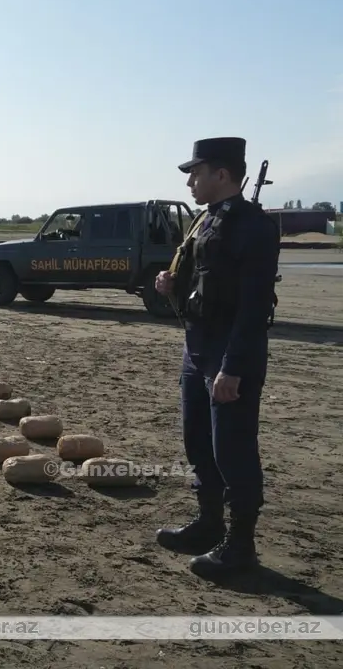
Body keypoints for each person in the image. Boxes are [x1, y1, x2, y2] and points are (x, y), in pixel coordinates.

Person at [153, 137, 280, 578]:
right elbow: (203, 278)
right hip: (198, 346)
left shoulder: (254, 226)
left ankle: (240, 546)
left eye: (196, 173)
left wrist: (233, 367)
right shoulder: (205, 220)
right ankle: (208, 524)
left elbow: (254, 306)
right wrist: (172, 286)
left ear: (222, 174)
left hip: (229, 353)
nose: (190, 182)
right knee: (199, 441)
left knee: (233, 449)